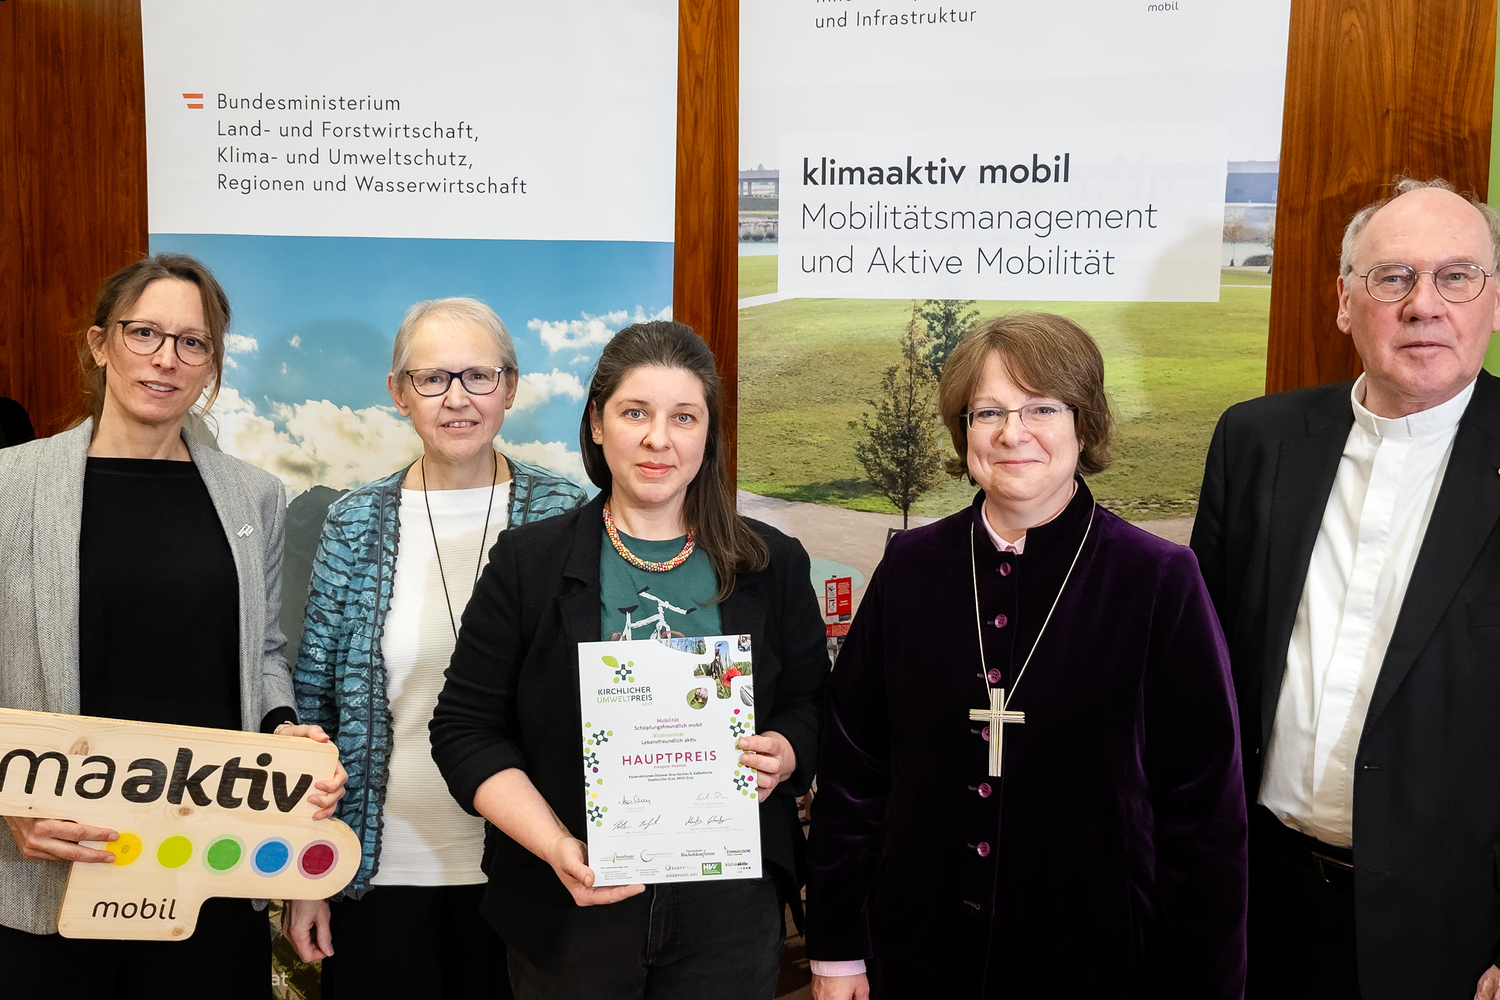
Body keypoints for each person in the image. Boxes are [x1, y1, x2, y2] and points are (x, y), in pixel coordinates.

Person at [805, 313, 1247, 999]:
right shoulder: (911, 568)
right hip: (919, 954)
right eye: (988, 412)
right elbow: (853, 770)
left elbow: (1205, 814)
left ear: (1084, 423)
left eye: (1041, 407)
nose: (1013, 434)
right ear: (964, 432)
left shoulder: (1158, 579)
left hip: (1097, 962)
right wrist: (837, 950)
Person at [430, 320, 829, 1000]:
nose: (658, 439)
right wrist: (556, 846)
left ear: (709, 434)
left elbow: (813, 706)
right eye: (635, 412)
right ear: (596, 423)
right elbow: (464, 730)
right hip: (571, 903)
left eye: (684, 417)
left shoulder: (772, 564)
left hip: (729, 909)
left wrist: (787, 752)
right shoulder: (528, 564)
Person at [0, 253, 345, 997]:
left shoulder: (253, 497)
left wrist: (284, 728)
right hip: (53, 868)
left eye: (193, 342)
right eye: (144, 333)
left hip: (207, 863)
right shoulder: (11, 486)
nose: (167, 359)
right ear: (100, 345)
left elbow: (263, 653)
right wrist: (6, 799)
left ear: (212, 364)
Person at [1191, 177, 1500, 1000]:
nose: (1423, 305)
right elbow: (1200, 677)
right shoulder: (1255, 441)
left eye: (1457, 277)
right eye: (1392, 277)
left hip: (1452, 933)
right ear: (1343, 301)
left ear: (1495, 302)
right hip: (1258, 903)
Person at [282, 297, 586, 998]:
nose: (457, 398)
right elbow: (314, 708)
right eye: (432, 378)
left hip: (535, 873)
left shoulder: (569, 515)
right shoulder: (354, 522)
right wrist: (308, 871)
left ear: (510, 387)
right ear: (398, 392)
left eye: (479, 376)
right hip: (379, 874)